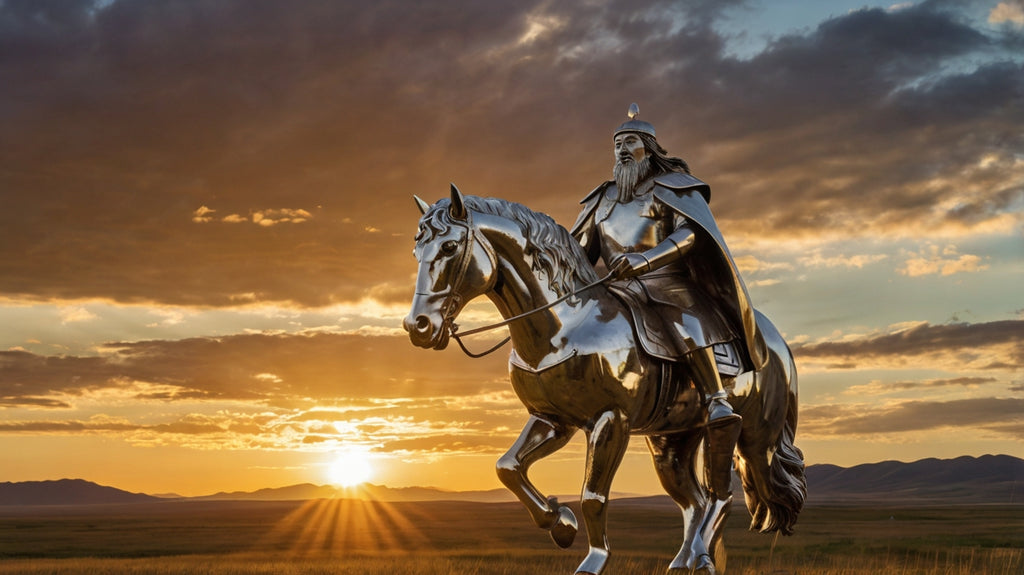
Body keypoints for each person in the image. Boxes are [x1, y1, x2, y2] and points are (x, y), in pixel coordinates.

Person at [570, 104, 767, 501]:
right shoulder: (602, 200)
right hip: (615, 289)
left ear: (648, 148)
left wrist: (644, 260)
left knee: (684, 321)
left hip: (665, 282)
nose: (622, 150)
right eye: (617, 144)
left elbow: (689, 236)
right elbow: (580, 251)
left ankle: (715, 400)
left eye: (630, 142)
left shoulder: (674, 187)